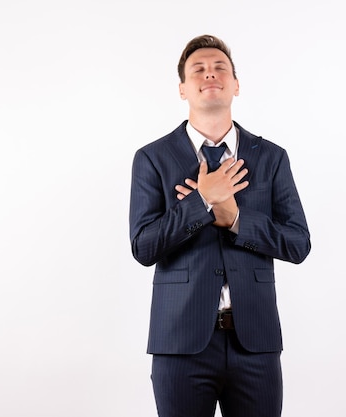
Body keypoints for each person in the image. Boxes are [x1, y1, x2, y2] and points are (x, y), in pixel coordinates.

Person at [129, 34, 311, 417]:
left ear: (236, 84)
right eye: (198, 69)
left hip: (255, 343)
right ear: (183, 89)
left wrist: (236, 219)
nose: (210, 74)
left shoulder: (272, 157)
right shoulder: (152, 158)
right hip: (179, 342)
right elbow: (143, 247)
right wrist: (202, 201)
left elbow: (298, 243)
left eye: (220, 68)